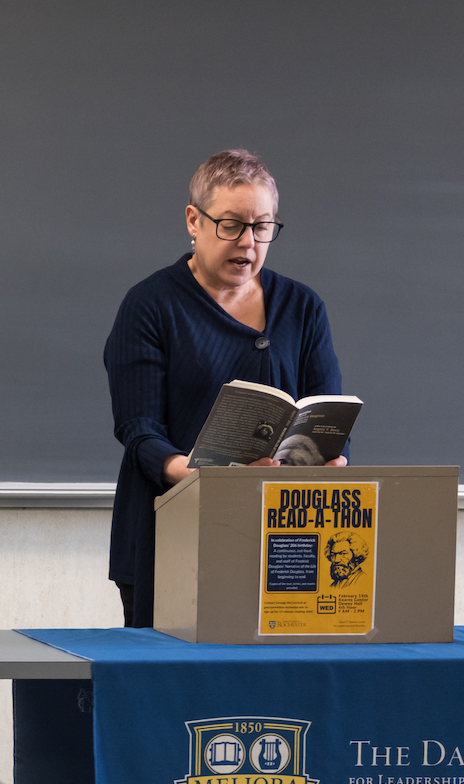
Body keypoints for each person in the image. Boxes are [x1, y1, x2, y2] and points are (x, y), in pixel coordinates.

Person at [103, 148, 350, 628]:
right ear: (194, 220)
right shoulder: (150, 305)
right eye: (232, 225)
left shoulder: (302, 306)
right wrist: (192, 473)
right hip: (173, 529)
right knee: (180, 695)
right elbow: (139, 430)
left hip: (283, 534)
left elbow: (325, 408)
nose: (249, 243)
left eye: (263, 227)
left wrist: (328, 456)